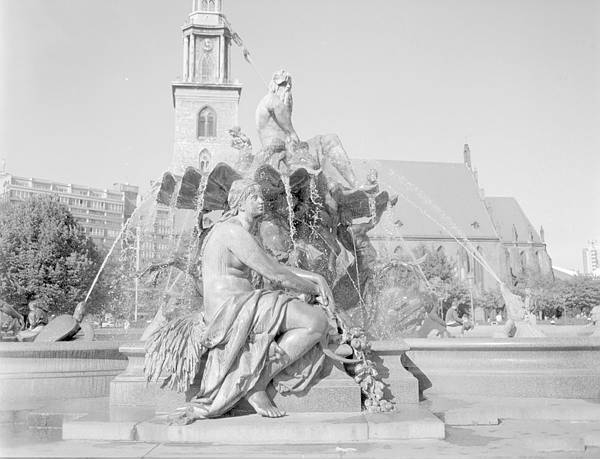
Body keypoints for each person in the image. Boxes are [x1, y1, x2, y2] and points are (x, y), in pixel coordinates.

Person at [152, 179, 335, 423]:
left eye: (261, 196)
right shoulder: (231, 231)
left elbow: (273, 266)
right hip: (231, 310)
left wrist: (315, 277)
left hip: (243, 303)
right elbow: (276, 275)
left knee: (310, 317)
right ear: (239, 203)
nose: (261, 201)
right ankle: (256, 383)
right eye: (254, 197)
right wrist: (314, 287)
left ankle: (257, 378)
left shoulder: (240, 231)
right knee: (315, 321)